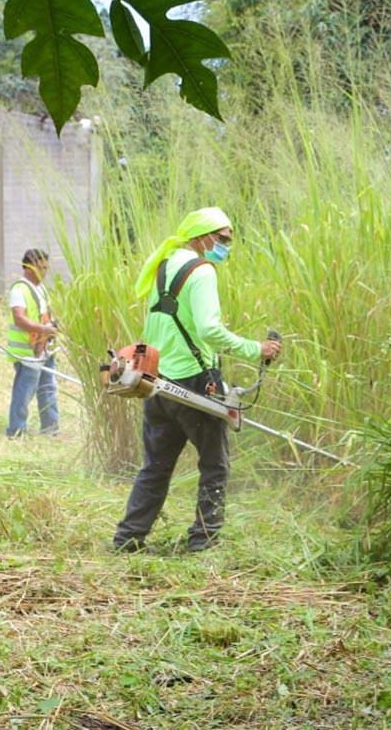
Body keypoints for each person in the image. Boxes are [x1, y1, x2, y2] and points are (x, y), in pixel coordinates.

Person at [112, 207, 280, 553]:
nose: (225, 246)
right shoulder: (201, 271)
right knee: (214, 465)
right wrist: (256, 349)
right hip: (195, 382)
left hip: (156, 379)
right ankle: (204, 541)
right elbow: (209, 330)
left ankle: (128, 538)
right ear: (202, 237)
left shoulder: (165, 266)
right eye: (222, 239)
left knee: (155, 467)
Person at [5, 248, 60, 438]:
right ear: (28, 267)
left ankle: (50, 429)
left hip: (44, 348)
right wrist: (43, 329)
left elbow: (44, 315)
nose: (44, 272)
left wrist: (51, 328)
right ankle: (16, 430)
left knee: (48, 389)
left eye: (46, 268)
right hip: (27, 352)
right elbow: (20, 318)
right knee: (24, 391)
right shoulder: (19, 290)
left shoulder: (41, 289)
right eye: (40, 268)